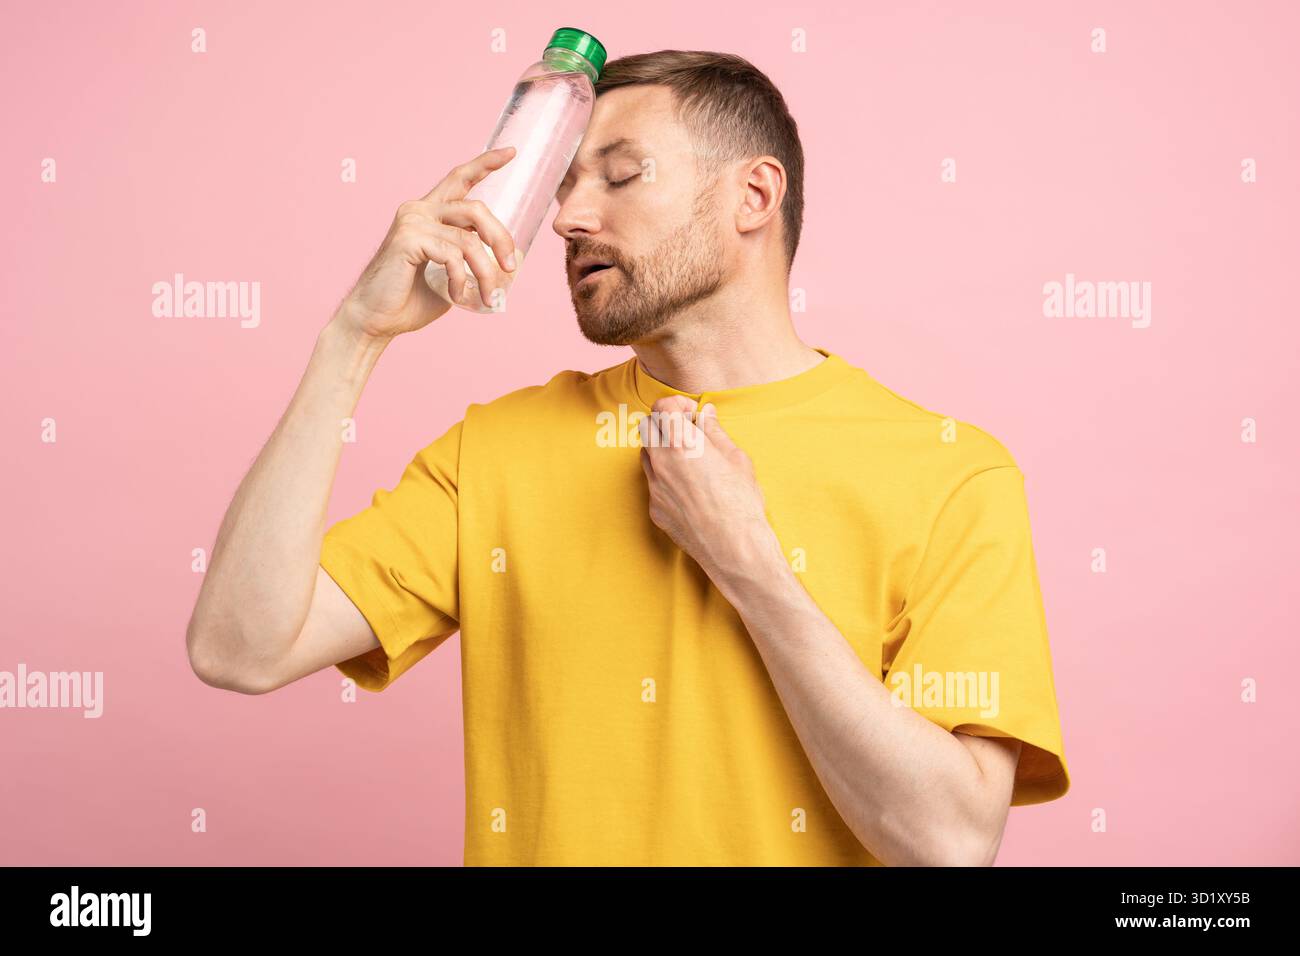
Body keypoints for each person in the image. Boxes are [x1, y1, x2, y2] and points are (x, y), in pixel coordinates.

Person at [185, 50, 1070, 866]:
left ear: (754, 197)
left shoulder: (953, 475)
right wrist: (356, 336)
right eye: (564, 185)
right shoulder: (500, 448)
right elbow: (240, 648)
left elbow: (950, 842)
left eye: (621, 174)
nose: (568, 219)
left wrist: (750, 565)